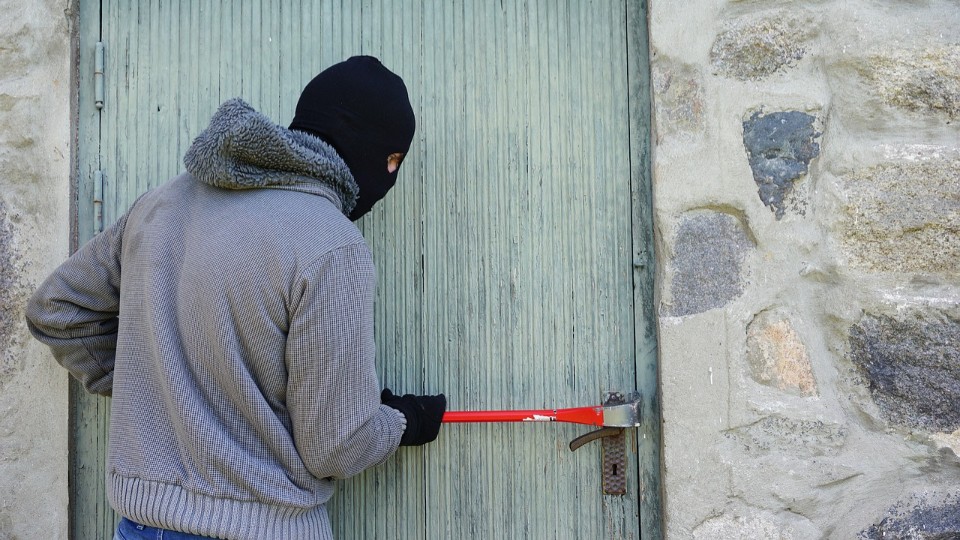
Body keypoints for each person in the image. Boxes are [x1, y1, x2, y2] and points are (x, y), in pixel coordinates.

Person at [25, 55, 446, 540]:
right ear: (366, 148)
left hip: (140, 526)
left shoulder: (161, 204)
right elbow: (337, 446)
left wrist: (164, 384)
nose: (389, 175)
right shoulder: (331, 244)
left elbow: (57, 309)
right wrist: (403, 421)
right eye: (392, 160)